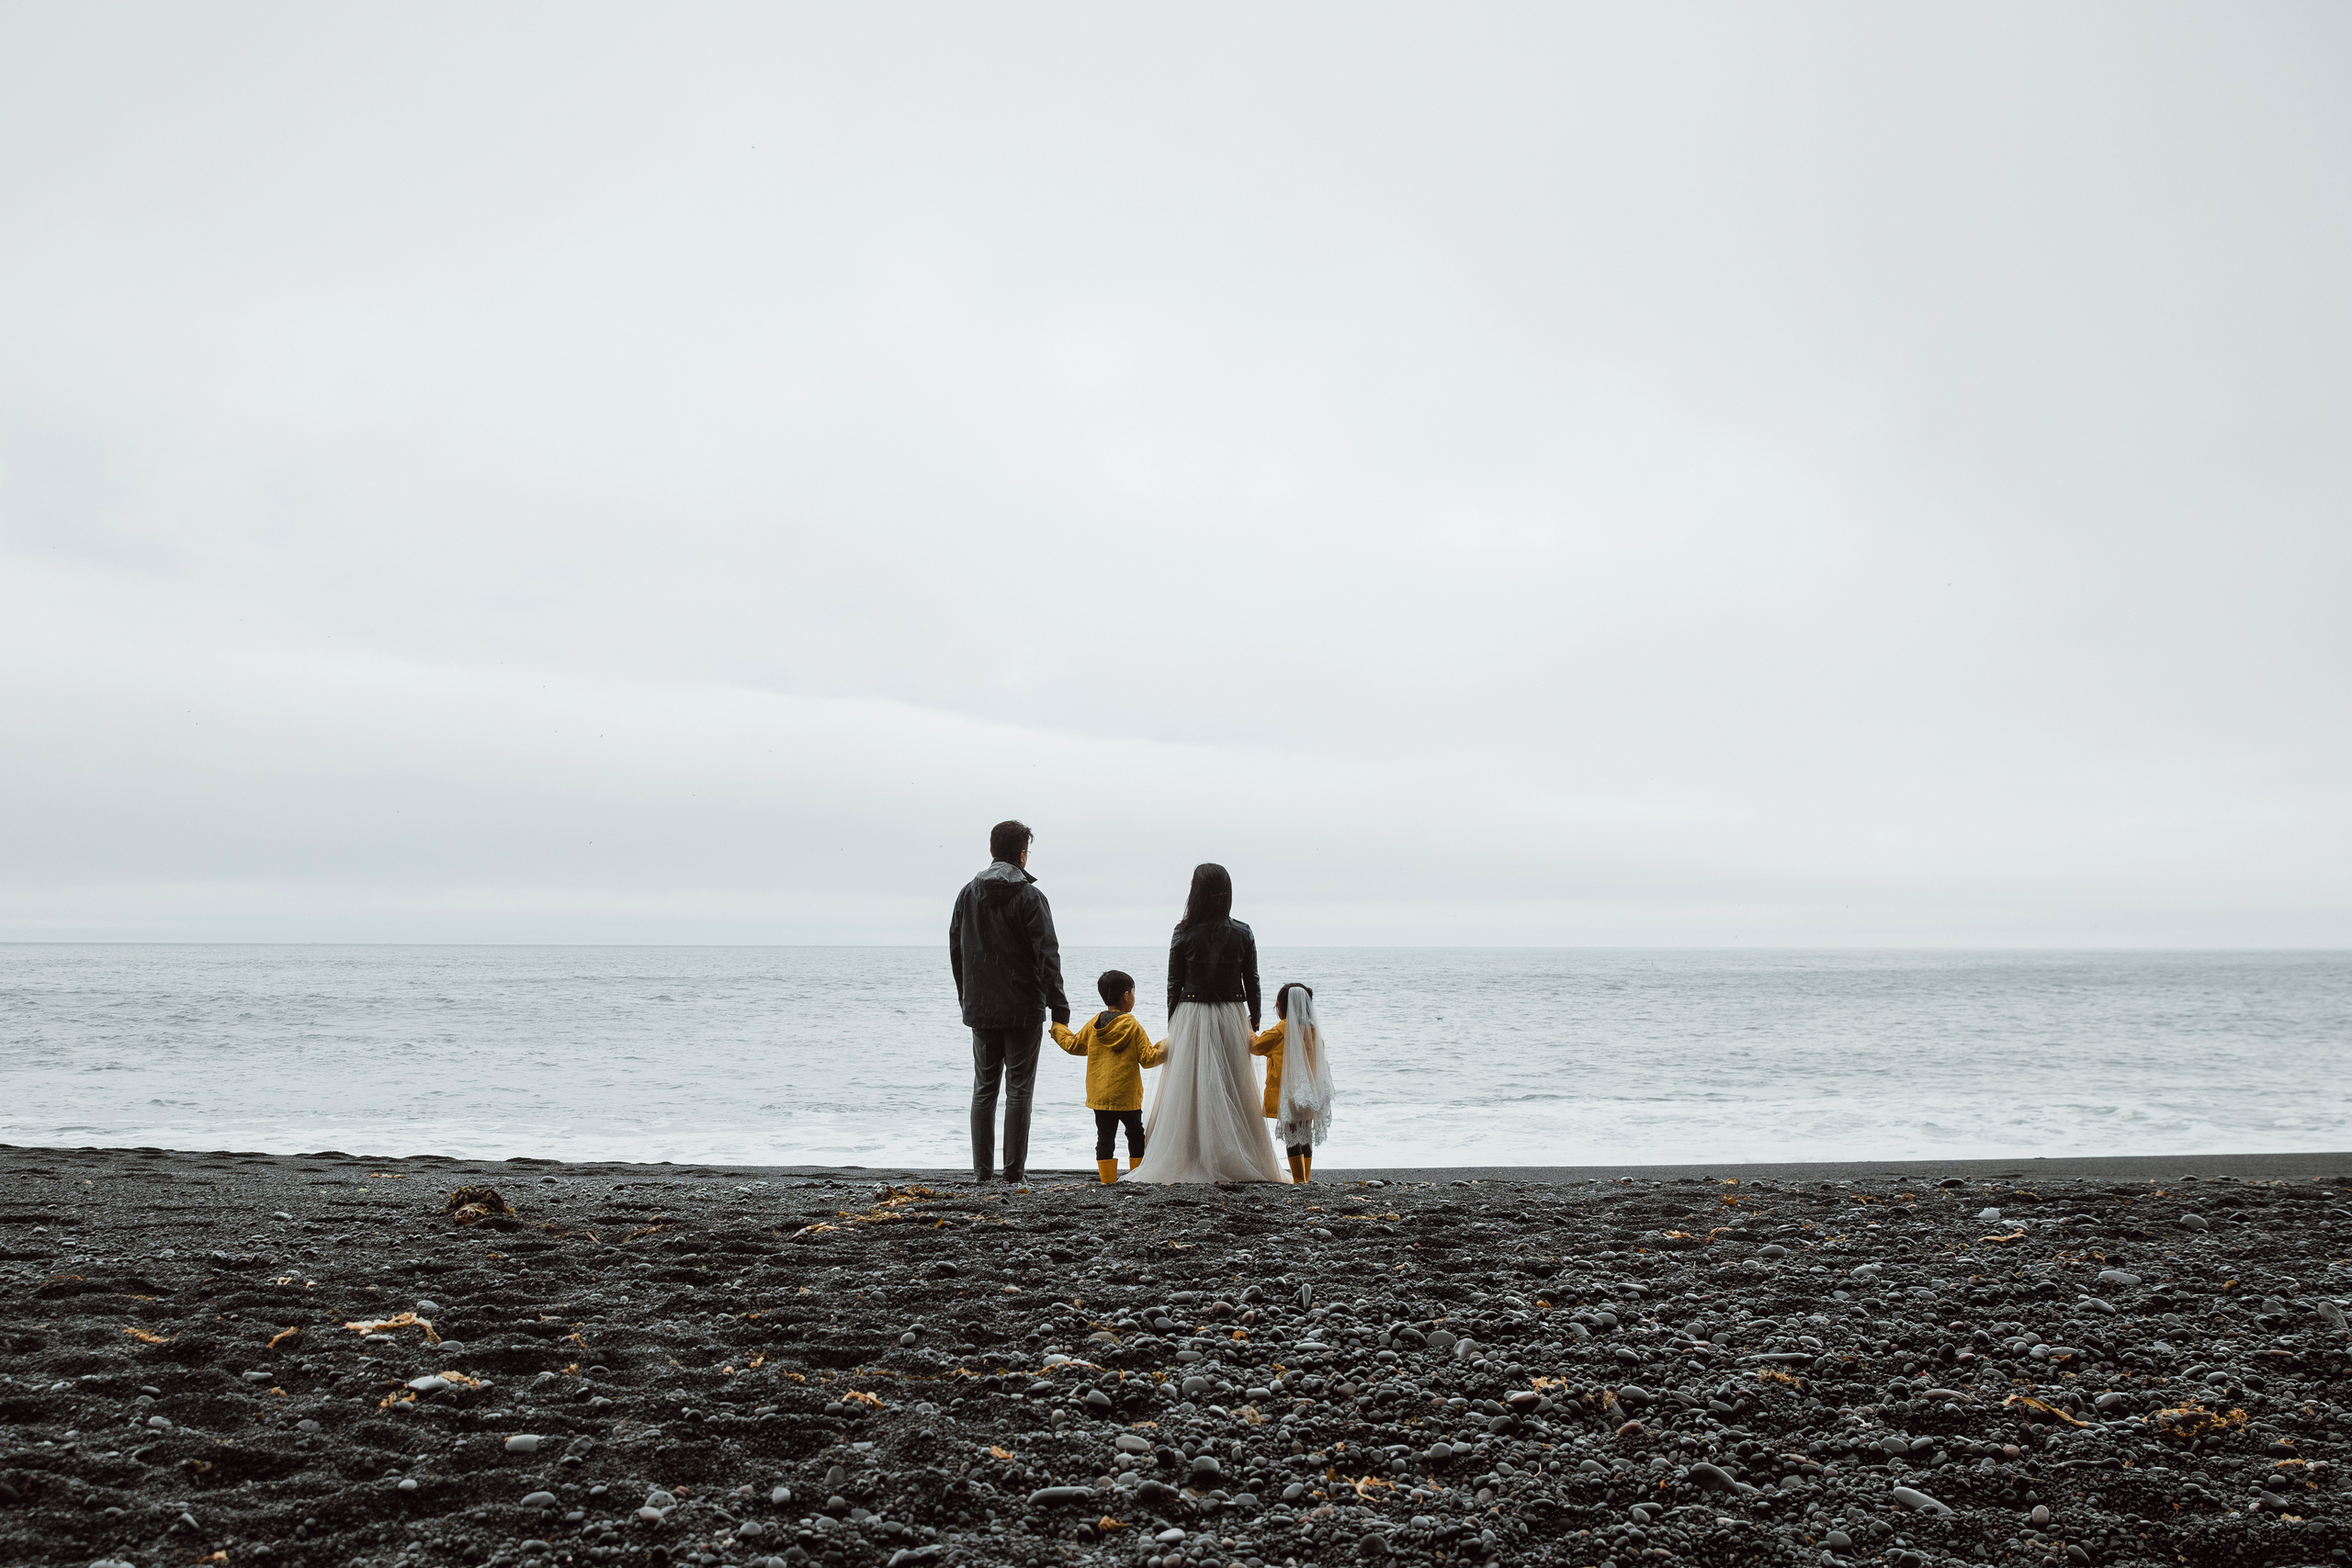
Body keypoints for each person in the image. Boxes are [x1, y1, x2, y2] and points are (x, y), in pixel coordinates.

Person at [1123, 863, 1289, 1185]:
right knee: (1233, 1085)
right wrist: (1254, 1019)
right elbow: (1252, 979)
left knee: (1190, 1086)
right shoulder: (1243, 931)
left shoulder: (1182, 931)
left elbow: (1174, 982)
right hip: (1231, 1012)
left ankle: (1192, 1154)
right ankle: (1235, 1153)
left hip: (1191, 1011)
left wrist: (1174, 1022)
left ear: (1197, 892)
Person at [949, 819, 1070, 1185]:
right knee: (1019, 1091)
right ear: (1022, 854)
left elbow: (957, 952)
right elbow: (1047, 954)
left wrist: (967, 999)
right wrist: (1059, 1005)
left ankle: (982, 1174)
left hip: (981, 1008)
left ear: (991, 850)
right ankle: (1014, 1174)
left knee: (984, 1090)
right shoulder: (1030, 897)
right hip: (1023, 1008)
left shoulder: (968, 894)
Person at [1050, 968, 1168, 1184]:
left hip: (1101, 1096)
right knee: (1135, 1135)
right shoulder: (1132, 1026)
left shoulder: (1094, 1024)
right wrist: (1170, 1044)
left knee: (1104, 1139)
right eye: (1133, 993)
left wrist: (1058, 1027)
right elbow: (1148, 1058)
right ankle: (1137, 1177)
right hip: (1127, 1096)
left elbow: (1073, 1045)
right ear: (1126, 996)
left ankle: (1107, 1181)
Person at [1251, 982, 1336, 1184]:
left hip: (1288, 1094)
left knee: (1292, 1137)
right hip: (1309, 1093)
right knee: (1305, 1136)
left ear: (1282, 1007)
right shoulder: (1314, 1032)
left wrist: (1247, 1029)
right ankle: (1306, 1178)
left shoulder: (1280, 1032)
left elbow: (1256, 1046)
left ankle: (1298, 1180)